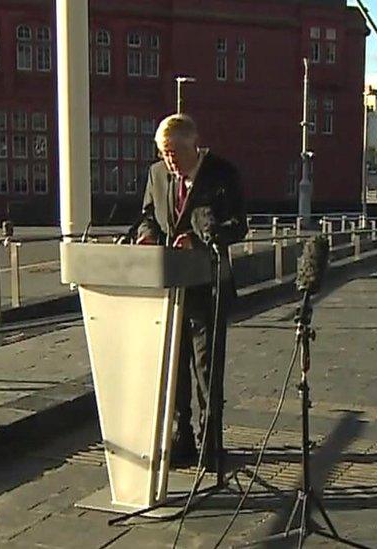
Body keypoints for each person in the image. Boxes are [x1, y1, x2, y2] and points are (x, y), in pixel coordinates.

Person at [136, 113, 248, 469]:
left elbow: (238, 225)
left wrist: (200, 239)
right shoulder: (157, 175)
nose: (168, 161)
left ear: (193, 146)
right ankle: (180, 437)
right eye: (163, 153)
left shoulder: (222, 174)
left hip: (209, 287)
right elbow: (148, 215)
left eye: (173, 153)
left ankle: (210, 443)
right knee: (174, 367)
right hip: (170, 289)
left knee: (206, 368)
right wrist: (147, 234)